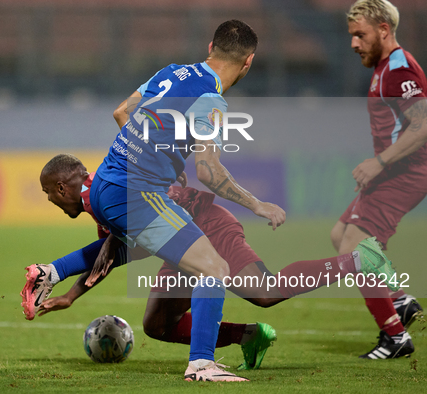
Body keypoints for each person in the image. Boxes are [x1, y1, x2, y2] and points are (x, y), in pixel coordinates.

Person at [23, 20, 395, 382]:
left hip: (108, 182)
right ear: (248, 62)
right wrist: (256, 204)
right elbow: (209, 172)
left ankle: (354, 263)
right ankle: (201, 365)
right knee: (216, 271)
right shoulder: (211, 101)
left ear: (209, 49)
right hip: (144, 195)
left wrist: (154, 157)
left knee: (159, 321)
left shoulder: (173, 72)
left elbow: (123, 111)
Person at [23, 153, 398, 372]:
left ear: (60, 188)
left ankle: (360, 258)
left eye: (46, 194)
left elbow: (119, 248)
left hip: (206, 226)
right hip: (179, 243)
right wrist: (72, 294)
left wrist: (59, 275)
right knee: (158, 324)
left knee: (264, 292)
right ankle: (248, 335)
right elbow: (115, 250)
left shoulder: (106, 194)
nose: (49, 201)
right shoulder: (101, 195)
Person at [330, 0, 427, 359]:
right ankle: (399, 301)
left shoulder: (399, 70)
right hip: (394, 172)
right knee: (340, 234)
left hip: (405, 173)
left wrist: (378, 162)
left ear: (384, 29)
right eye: (352, 36)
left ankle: (395, 337)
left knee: (353, 248)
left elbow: (422, 125)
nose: (354, 43)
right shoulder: (385, 66)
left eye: (360, 35)